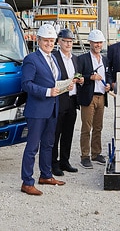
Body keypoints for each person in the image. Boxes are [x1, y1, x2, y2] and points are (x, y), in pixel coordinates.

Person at [20, 24, 68, 196]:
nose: (49, 43)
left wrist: (64, 86)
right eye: (46, 40)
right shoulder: (31, 59)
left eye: (51, 41)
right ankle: (27, 182)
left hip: (52, 108)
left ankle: (46, 175)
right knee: (32, 147)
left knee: (48, 144)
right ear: (38, 40)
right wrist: (47, 92)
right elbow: (26, 84)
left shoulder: (53, 58)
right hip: (37, 110)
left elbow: (53, 80)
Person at [76, 29, 111, 169]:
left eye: (100, 42)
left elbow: (108, 76)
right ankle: (85, 156)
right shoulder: (82, 59)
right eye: (95, 42)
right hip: (88, 97)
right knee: (86, 127)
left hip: (101, 96)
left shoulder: (105, 59)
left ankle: (96, 153)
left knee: (98, 127)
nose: (98, 45)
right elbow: (77, 76)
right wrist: (90, 77)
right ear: (90, 42)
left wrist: (109, 84)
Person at [50, 28, 81, 177]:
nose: (68, 44)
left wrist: (80, 80)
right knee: (56, 133)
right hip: (59, 100)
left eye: (70, 41)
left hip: (72, 100)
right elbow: (52, 79)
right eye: (65, 41)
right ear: (59, 42)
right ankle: (53, 163)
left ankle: (65, 161)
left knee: (68, 133)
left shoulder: (75, 58)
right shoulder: (54, 58)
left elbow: (77, 75)